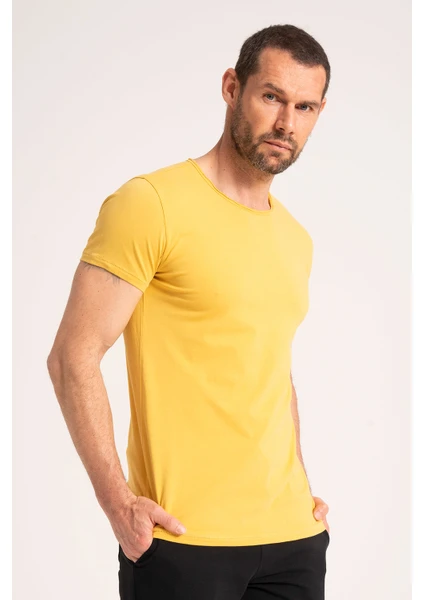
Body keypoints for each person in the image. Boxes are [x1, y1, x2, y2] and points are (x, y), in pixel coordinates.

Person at [47, 23, 332, 600]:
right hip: (183, 541)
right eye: (272, 96)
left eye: (305, 107)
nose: (286, 122)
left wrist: (301, 485)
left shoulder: (296, 239)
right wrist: (118, 505)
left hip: (293, 539)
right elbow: (72, 356)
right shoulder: (150, 204)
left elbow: (271, 369)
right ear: (232, 88)